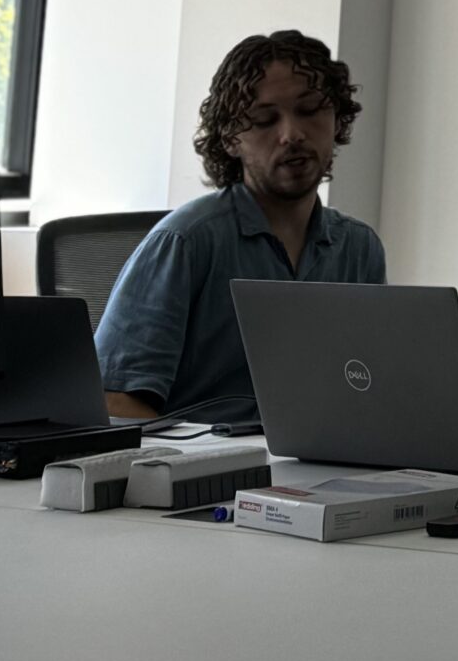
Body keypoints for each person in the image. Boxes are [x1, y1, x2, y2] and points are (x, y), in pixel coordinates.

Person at [95, 28, 386, 424]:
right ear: (231, 139)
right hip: (206, 458)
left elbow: (367, 387)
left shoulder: (359, 247)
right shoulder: (185, 240)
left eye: (310, 110)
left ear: (337, 119)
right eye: (264, 120)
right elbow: (113, 401)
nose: (292, 135)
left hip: (317, 454)